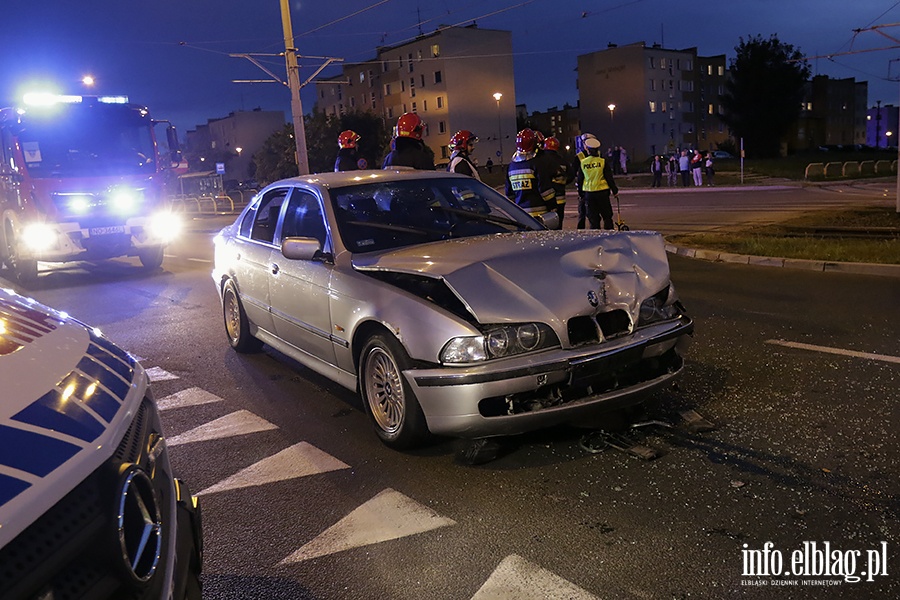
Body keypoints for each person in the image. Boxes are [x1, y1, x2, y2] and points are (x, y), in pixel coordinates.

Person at [505, 128, 556, 221]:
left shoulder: (511, 167)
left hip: (521, 216)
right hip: (539, 216)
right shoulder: (537, 164)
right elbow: (545, 191)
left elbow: (509, 194)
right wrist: (553, 206)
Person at [575, 134, 618, 230]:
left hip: (589, 194)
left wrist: (581, 194)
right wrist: (615, 191)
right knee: (607, 217)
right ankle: (609, 236)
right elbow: (609, 178)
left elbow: (580, 180)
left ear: (587, 149)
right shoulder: (602, 161)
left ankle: (595, 238)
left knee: (593, 219)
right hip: (602, 193)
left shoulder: (583, 162)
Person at [542, 136, 574, 224]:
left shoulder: (542, 161)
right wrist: (562, 182)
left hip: (547, 200)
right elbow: (571, 176)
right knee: (559, 225)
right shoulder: (563, 161)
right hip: (560, 199)